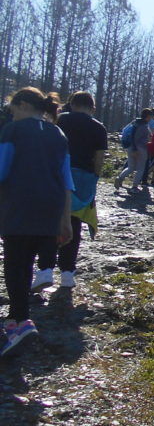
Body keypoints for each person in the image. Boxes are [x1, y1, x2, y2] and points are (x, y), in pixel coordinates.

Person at [0, 88, 73, 357]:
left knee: (15, 264)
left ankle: (20, 321)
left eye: (12, 108)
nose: (11, 113)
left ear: (21, 105)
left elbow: (2, 170)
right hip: (51, 208)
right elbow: (67, 181)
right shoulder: (58, 134)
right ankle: (16, 319)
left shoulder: (13, 130)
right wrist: (65, 221)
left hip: (20, 204)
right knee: (26, 261)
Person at [34, 91, 108, 292]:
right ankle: (67, 273)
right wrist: (94, 177)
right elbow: (99, 158)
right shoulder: (99, 127)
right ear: (92, 108)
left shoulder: (60, 120)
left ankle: (45, 270)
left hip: (55, 173)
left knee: (51, 222)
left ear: (71, 104)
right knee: (74, 225)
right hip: (83, 178)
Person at [116, 108, 153, 191]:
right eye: (150, 116)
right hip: (141, 149)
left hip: (130, 147)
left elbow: (132, 136)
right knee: (140, 169)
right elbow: (144, 138)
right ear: (148, 116)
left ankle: (119, 178)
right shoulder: (144, 126)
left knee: (130, 167)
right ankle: (134, 187)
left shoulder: (134, 123)